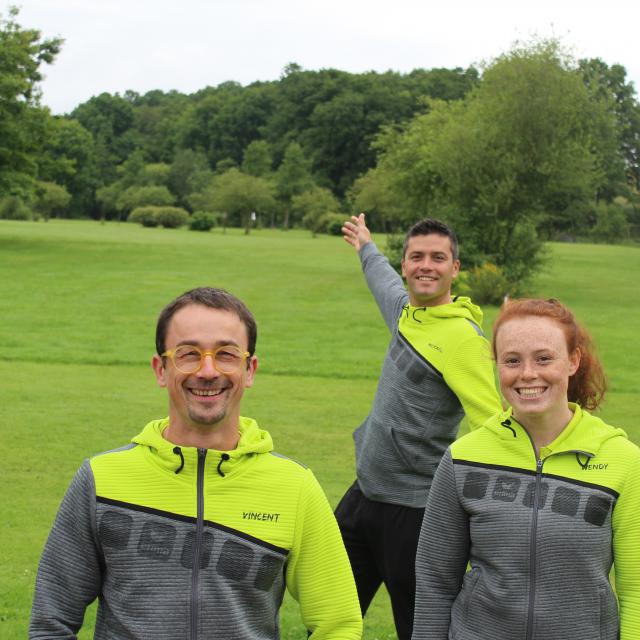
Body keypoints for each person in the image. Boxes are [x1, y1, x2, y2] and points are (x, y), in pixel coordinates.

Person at [30, 287, 362, 640]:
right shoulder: (101, 480)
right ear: (161, 369)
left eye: (226, 354)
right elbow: (52, 620)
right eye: (188, 354)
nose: (207, 371)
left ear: (249, 369)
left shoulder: (294, 487)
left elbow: (337, 623)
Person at [413, 298, 640, 640]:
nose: (528, 374)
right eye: (512, 361)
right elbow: (434, 580)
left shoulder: (623, 461)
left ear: (573, 361)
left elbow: (636, 590)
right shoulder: (463, 458)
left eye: (544, 358)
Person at [335, 214, 502, 639]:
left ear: (455, 268)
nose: (425, 265)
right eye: (416, 257)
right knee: (333, 611)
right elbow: (382, 280)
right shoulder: (406, 312)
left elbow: (492, 424)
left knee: (420, 629)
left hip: (414, 512)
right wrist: (367, 246)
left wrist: (491, 508)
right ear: (406, 263)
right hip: (364, 494)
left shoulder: (464, 340)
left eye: (438, 258)